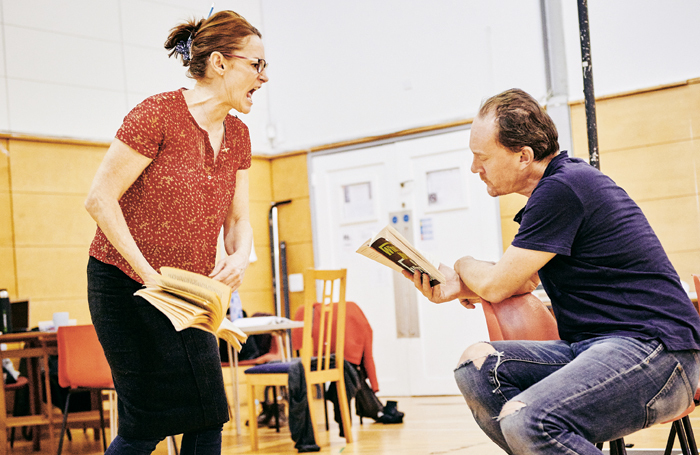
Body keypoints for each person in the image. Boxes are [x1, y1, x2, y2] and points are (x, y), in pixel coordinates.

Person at [404, 88, 700, 455]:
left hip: (657, 355)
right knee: (477, 367)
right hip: (594, 349)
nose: (474, 168)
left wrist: (462, 265)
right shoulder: (554, 191)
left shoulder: (564, 188)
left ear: (523, 156)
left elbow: (498, 285)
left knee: (527, 420)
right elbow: (523, 280)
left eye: (481, 157)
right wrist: (458, 288)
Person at [84, 10, 268, 455]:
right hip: (124, 286)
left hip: (188, 293)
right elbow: (99, 200)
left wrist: (239, 256)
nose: (265, 78)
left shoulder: (239, 135)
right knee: (145, 426)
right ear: (221, 63)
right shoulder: (157, 114)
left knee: (207, 417)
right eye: (256, 65)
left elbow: (239, 221)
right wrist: (149, 277)